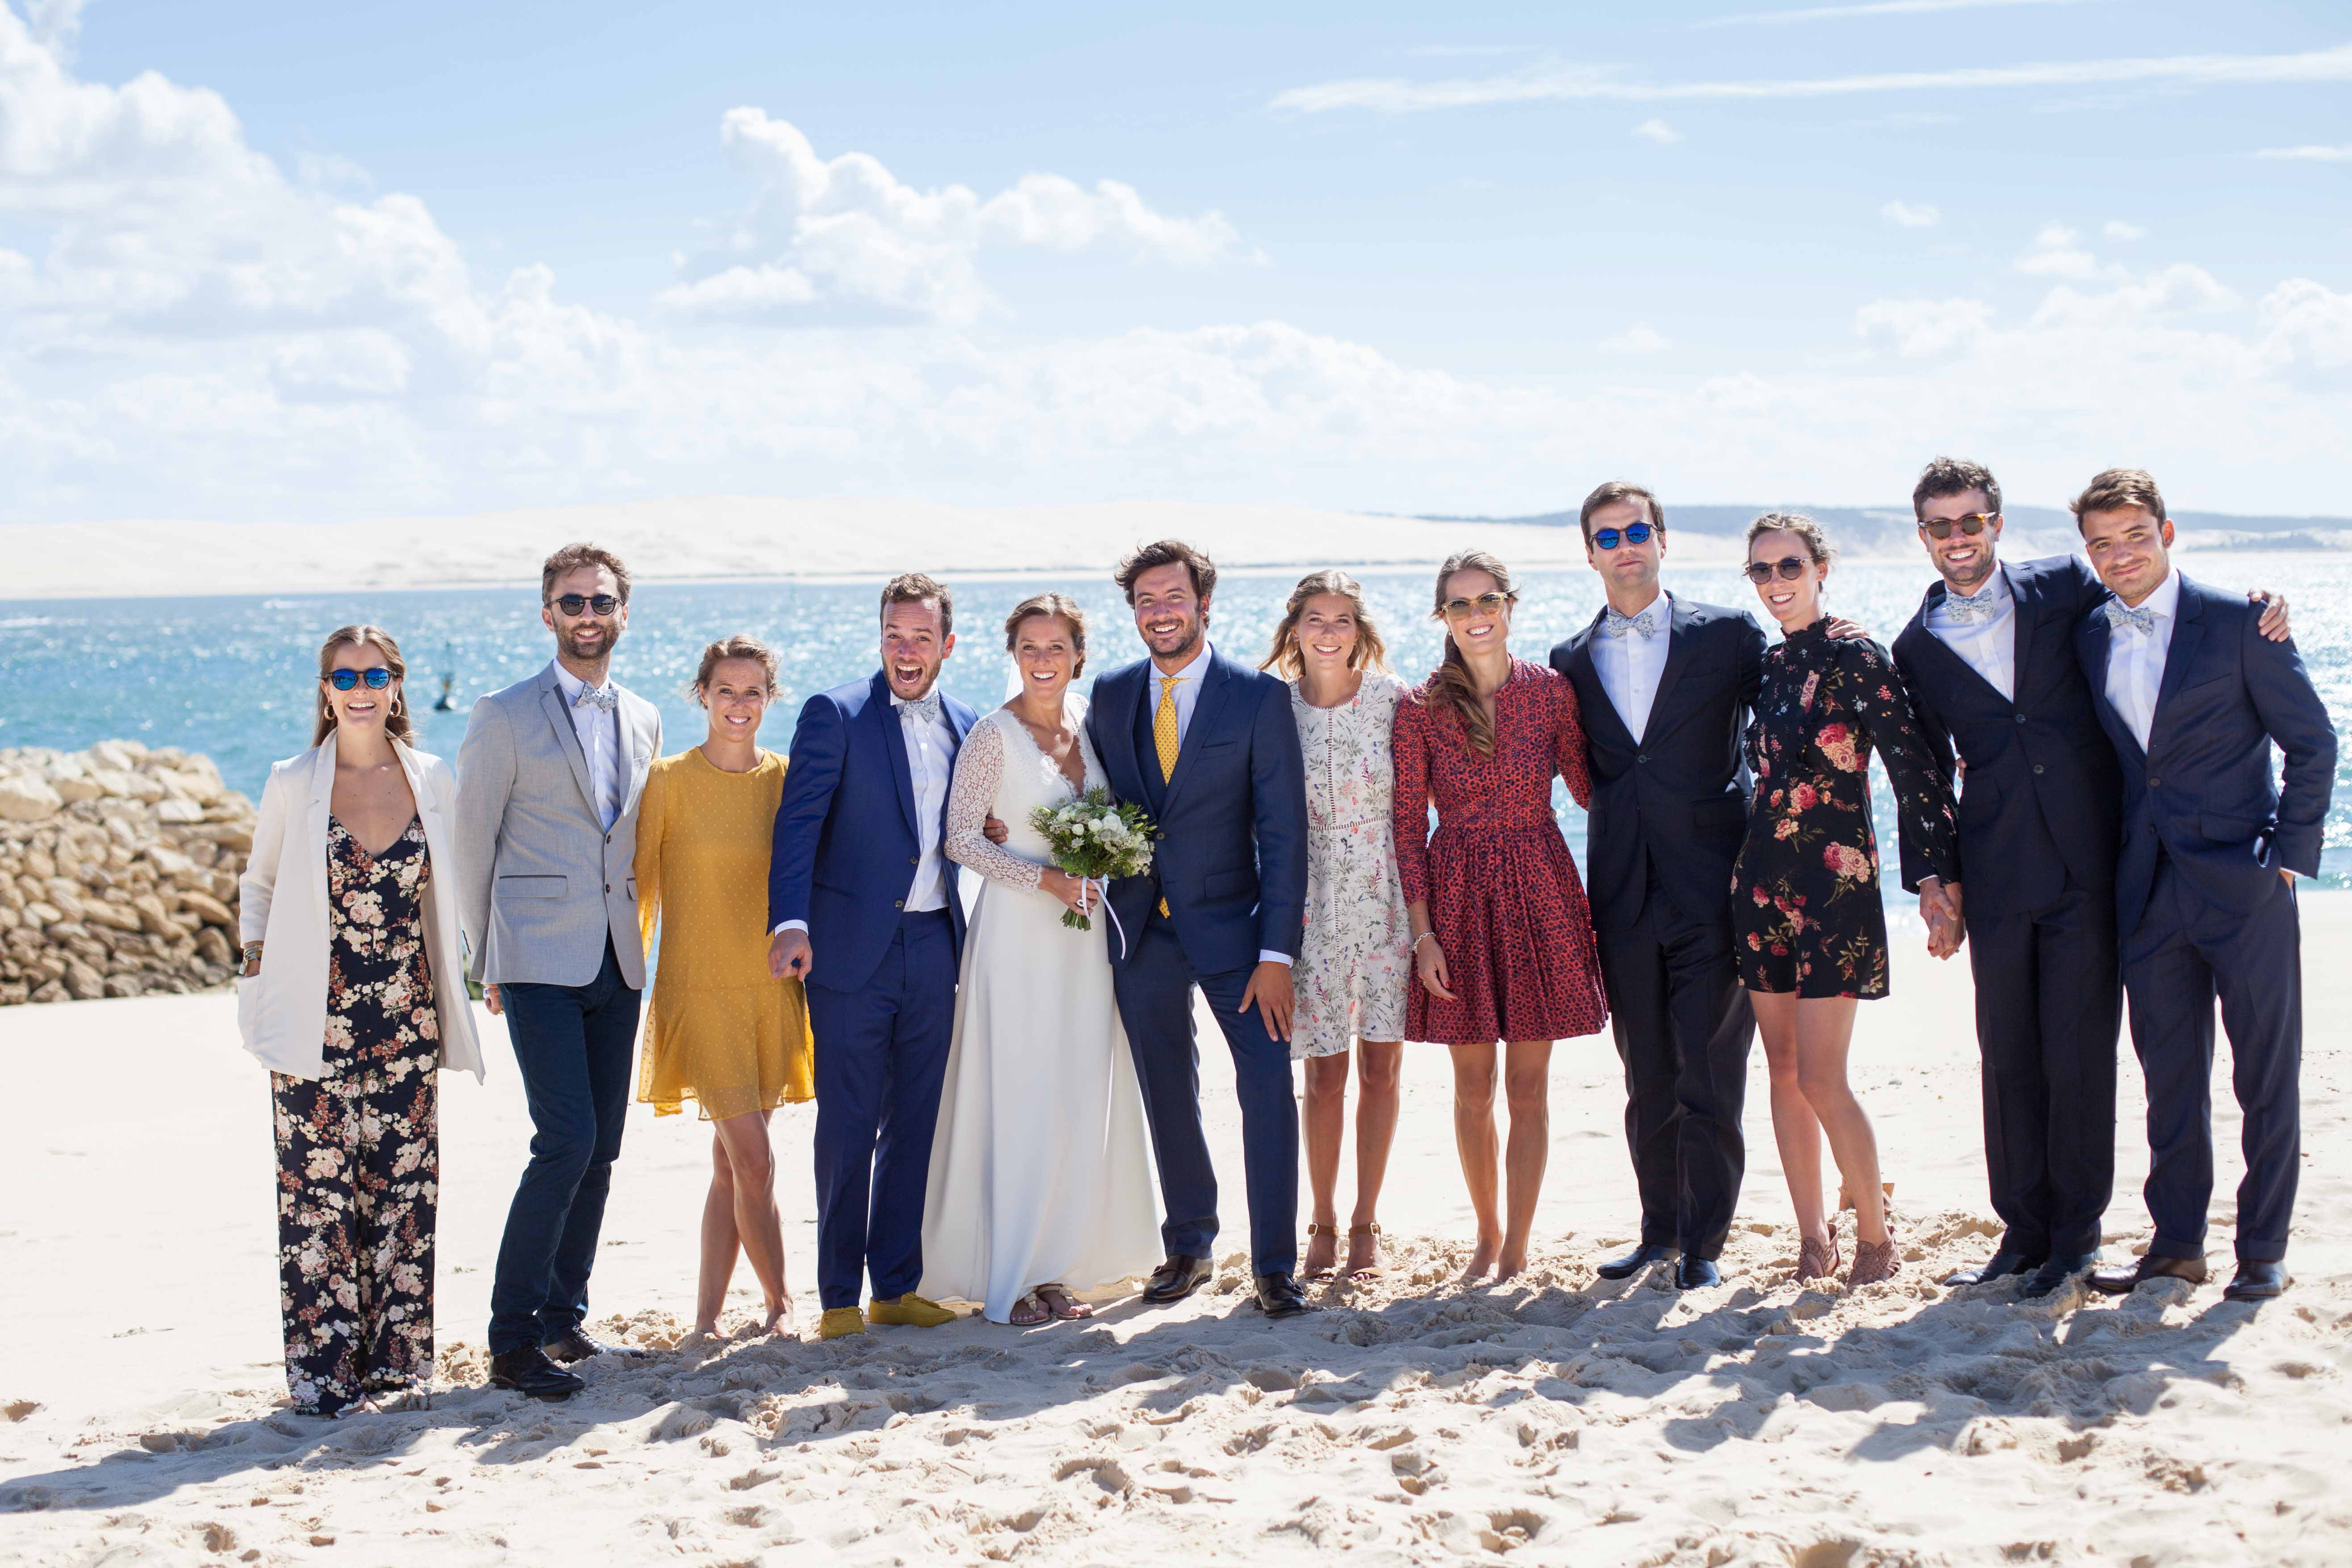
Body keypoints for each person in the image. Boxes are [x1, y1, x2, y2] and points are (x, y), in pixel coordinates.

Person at [1890, 458, 2296, 1299]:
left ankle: (2075, 1238)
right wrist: (1933, 878)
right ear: (1922, 536)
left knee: (2078, 1054)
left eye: (1971, 521)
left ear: (1996, 524)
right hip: (1996, 869)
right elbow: (1922, 773)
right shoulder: (1915, 646)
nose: (1958, 538)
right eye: (1940, 526)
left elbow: (2154, 602)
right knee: (2006, 1055)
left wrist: (2261, 603)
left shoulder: (2064, 586)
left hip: (2098, 863)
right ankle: (2022, 1233)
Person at [2068, 470, 2334, 1303]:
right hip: (2146, 891)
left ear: (2167, 534)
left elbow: (2313, 742)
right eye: (2102, 544)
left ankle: (2262, 1251)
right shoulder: (2089, 634)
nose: (2120, 556)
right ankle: (2177, 1247)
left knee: (2265, 1076)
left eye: (2134, 537)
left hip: (2243, 884)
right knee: (2169, 1082)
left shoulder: (2239, 621)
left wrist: (2286, 856)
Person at [240, 625, 483, 1417]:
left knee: (403, 1196)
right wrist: (254, 969)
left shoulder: (432, 776)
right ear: (325, 691)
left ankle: (398, 1370)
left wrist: (480, 966)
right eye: (344, 677)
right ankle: (325, 1378)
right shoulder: (292, 781)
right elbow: (260, 884)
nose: (359, 690)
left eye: (374, 676)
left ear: (396, 686)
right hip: (313, 1019)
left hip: (407, 1017)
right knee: (315, 1200)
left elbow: (455, 885)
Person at [1084, 539, 1314, 1320]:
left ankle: (1275, 1265)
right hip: (1141, 934)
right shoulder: (1111, 695)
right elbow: (1093, 799)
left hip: (1238, 936)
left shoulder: (1258, 699)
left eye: (1173, 597)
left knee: (1266, 1090)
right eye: (1145, 601)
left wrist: (1277, 953)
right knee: (1166, 1093)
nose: (1160, 613)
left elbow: (1283, 834)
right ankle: (1189, 1244)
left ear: (1203, 604)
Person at [454, 542, 661, 1401]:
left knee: (602, 1149)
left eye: (601, 602)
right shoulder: (502, 714)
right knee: (564, 1140)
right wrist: (484, 959)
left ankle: (560, 1319)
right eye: (572, 602)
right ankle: (511, 1342)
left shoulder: (644, 716)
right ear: (548, 614)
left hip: (619, 956)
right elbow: (471, 842)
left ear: (622, 614)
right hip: (535, 956)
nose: (587, 615)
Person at [921, 595, 1163, 1324]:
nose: (1042, 660)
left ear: (1078, 655)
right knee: (1020, 1094)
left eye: (1056, 647)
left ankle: (1059, 1267)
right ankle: (1012, 1274)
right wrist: (1046, 880)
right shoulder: (991, 736)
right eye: (1029, 647)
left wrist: (1109, 857)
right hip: (1017, 941)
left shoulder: (1090, 724)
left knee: (1072, 1096)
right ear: (1013, 654)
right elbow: (962, 838)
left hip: (1084, 945)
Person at [1551, 483, 1767, 1292]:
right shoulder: (1570, 660)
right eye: (1607, 537)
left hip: (1713, 882)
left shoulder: (1728, 633)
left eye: (1636, 531)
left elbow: (1784, 723)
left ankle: (1704, 1242)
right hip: (1621, 888)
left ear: (1662, 540)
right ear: (1590, 554)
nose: (1624, 547)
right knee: (1645, 1071)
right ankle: (1658, 1232)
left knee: (1710, 1069)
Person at [1734, 513, 1959, 1289]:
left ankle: (1874, 1237)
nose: (1775, 582)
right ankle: (1810, 1237)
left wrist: (1934, 879)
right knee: (1782, 1070)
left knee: (1822, 1077)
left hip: (1836, 886)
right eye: (1760, 570)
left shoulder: (1856, 655)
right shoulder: (1766, 665)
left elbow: (1913, 768)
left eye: (1789, 566)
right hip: (1759, 885)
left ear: (1820, 569)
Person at [767, 574, 977, 1341]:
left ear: (946, 645)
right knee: (848, 1125)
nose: (906, 651)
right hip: (850, 950)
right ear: (880, 638)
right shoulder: (835, 713)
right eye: (894, 636)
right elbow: (798, 825)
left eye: (921, 638)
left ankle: (895, 1286)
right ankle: (837, 1299)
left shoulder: (969, 724)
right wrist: (790, 923)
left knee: (916, 1121)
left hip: (936, 943)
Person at [1393, 550, 1607, 1284]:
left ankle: (1518, 1243)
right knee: (1472, 1087)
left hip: (1540, 885)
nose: (1475, 615)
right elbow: (1404, 829)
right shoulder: (1419, 707)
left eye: (1487, 600)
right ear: (1443, 618)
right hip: (1455, 895)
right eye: (1459, 604)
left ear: (1509, 606)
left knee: (1528, 1088)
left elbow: (1591, 790)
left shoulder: (1550, 692)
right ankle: (1485, 1234)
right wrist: (1422, 934)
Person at [634, 635, 814, 1339]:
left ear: (770, 699)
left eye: (752, 692)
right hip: (698, 993)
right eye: (725, 690)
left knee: (730, 1166)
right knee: (755, 1159)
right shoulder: (667, 781)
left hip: (770, 993)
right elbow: (639, 891)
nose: (739, 704)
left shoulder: (787, 779)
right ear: (702, 695)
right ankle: (781, 1304)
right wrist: (622, 977)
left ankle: (706, 1319)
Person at [1262, 570, 1410, 1283]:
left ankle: (1364, 1224)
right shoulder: (1274, 708)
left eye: (1342, 620)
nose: (1328, 632)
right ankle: (1319, 1221)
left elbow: (1424, 800)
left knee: (1382, 1068)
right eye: (1315, 619)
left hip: (1384, 900)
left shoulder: (1393, 701)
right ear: (1295, 630)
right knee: (1324, 1074)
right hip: (1309, 907)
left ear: (1359, 631)